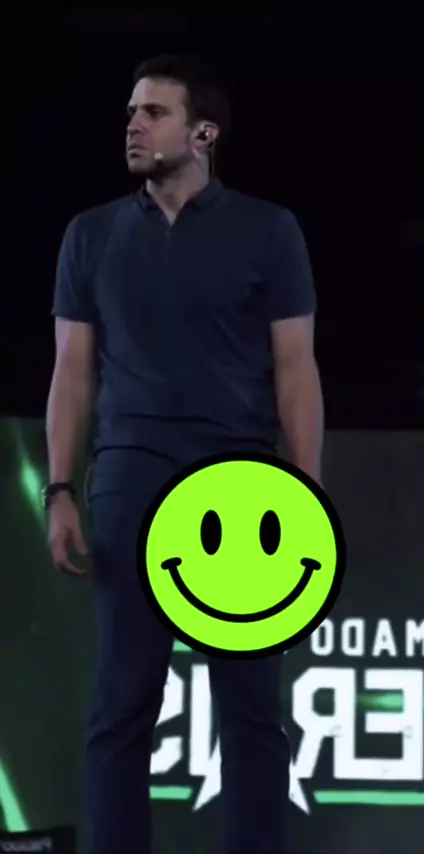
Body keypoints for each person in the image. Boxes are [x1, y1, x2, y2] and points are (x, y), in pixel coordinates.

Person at [45, 54, 324, 854]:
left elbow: (296, 368)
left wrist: (303, 494)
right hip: (128, 479)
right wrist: (59, 488)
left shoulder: (270, 230)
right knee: (121, 702)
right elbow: (71, 372)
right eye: (131, 112)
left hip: (239, 485)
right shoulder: (90, 234)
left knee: (251, 709)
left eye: (154, 112)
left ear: (204, 133)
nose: (134, 125)